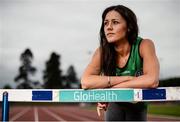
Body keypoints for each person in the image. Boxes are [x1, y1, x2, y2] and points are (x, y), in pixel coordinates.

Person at [81, 5, 159, 121]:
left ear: (129, 27)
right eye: (106, 23)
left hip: (136, 105)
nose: (109, 27)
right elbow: (86, 82)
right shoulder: (102, 51)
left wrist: (108, 91)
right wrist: (128, 78)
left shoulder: (144, 45)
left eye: (115, 22)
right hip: (114, 104)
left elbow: (152, 80)